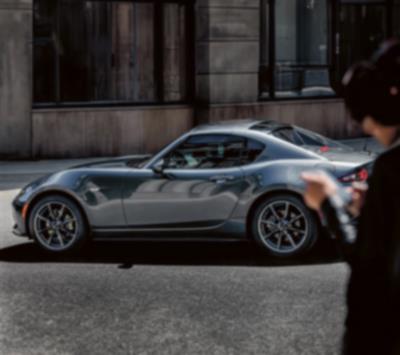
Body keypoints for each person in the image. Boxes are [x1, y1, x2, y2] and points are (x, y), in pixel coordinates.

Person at [302, 39, 400, 355]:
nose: (370, 131)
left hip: (381, 334)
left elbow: (367, 265)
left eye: (367, 122)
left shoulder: (391, 168)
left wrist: (330, 201)